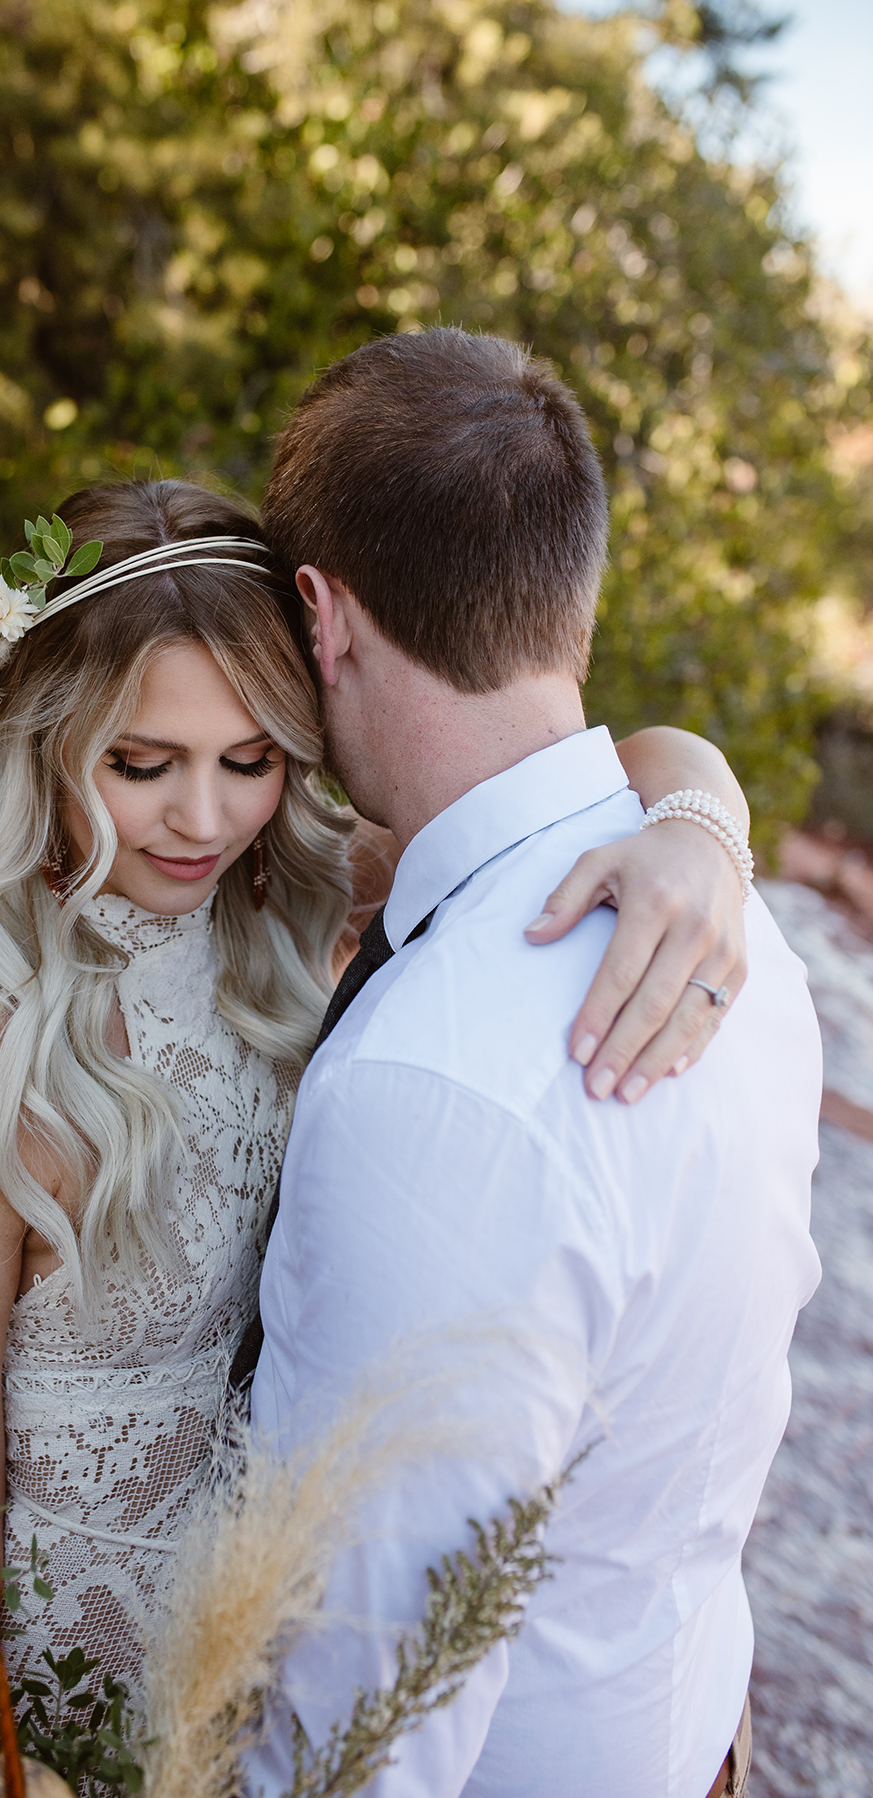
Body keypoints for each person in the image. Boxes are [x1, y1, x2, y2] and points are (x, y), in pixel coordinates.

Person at [0, 474, 752, 1795]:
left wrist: (701, 825)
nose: (203, 819)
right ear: (44, 740)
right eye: (142, 764)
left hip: (295, 1708)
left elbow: (591, 764)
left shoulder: (293, 930)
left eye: (251, 759)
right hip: (82, 1743)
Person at [242, 329, 822, 1798]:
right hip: (692, 1727)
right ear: (567, 594)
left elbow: (363, 1706)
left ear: (323, 612)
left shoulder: (426, 1088)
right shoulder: (741, 939)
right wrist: (702, 800)